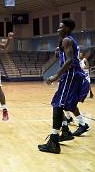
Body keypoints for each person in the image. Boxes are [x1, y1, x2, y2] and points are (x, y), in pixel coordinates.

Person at [38, 18, 90, 154]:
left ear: (67, 28)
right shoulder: (66, 40)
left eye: (60, 27)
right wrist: (59, 51)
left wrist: (56, 76)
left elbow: (69, 61)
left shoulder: (67, 40)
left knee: (57, 104)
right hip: (72, 75)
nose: (58, 29)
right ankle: (65, 132)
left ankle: (54, 142)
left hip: (70, 74)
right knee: (61, 104)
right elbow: (65, 54)